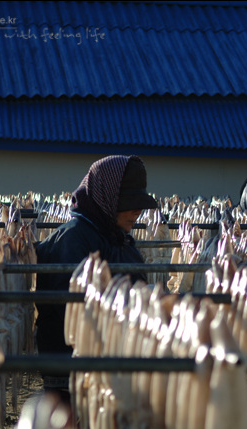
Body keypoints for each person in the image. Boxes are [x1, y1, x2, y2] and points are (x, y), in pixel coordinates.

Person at [34, 155, 158, 403]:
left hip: (118, 373)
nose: (138, 211)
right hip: (71, 379)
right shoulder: (71, 241)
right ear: (107, 198)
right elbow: (70, 314)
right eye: (129, 202)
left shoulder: (123, 242)